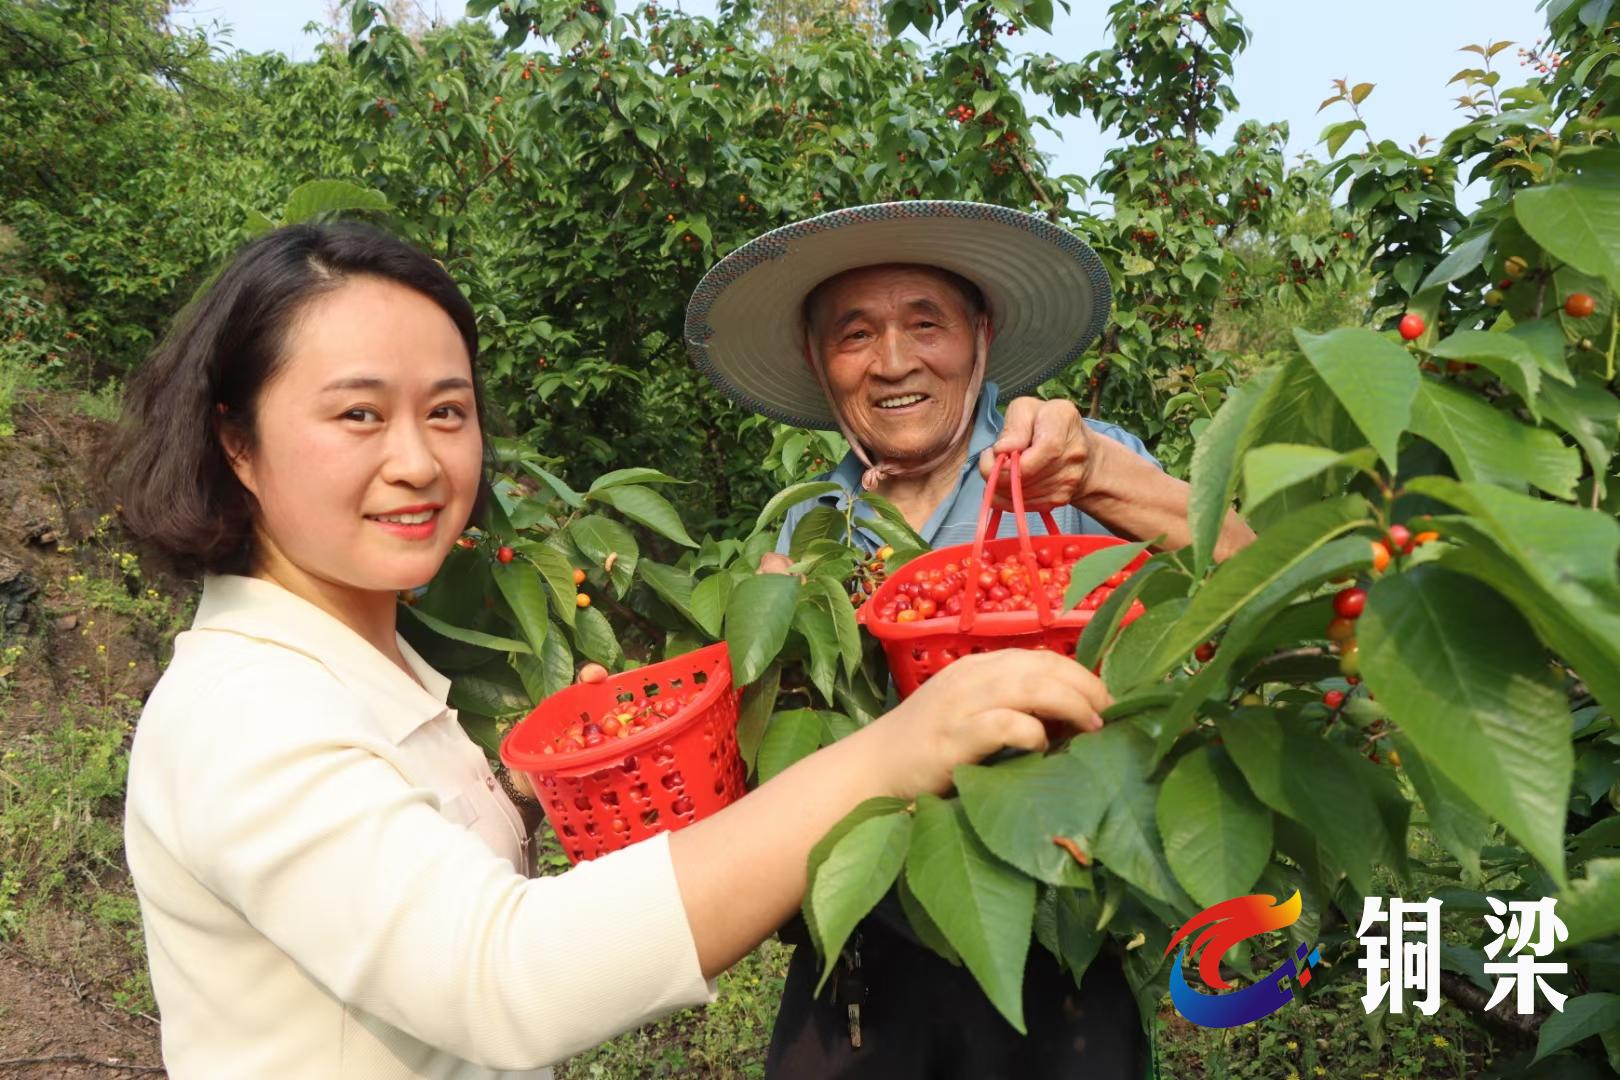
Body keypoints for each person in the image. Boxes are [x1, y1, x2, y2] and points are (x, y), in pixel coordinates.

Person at [110, 221, 1116, 1079]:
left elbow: (402, 891)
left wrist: (537, 800)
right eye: (359, 414)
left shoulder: (361, 681)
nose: (417, 461)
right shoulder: (244, 712)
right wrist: (899, 750)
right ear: (235, 443)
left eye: (447, 412)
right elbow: (502, 977)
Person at [683, 200, 1257, 1078]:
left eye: (927, 324)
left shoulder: (1069, 467)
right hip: (860, 973)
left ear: (980, 336)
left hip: (1058, 957)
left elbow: (1254, 573)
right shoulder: (808, 528)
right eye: (854, 334)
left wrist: (1100, 476)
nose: (895, 361)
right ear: (816, 360)